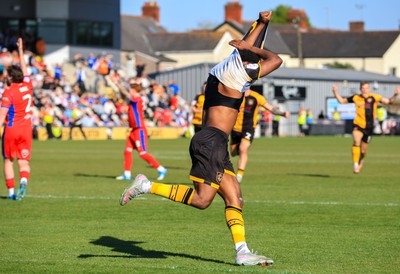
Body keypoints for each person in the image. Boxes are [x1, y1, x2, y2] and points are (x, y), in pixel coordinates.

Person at [120, 11, 282, 266]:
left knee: (234, 197)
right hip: (211, 142)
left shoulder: (224, 67)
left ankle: (242, 252)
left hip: (214, 142)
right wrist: (253, 44)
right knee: (202, 200)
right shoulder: (240, 73)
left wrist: (262, 23)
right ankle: (146, 185)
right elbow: (275, 59)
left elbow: (246, 48)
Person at [332, 82, 399, 173]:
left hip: (369, 127)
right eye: (363, 88)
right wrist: (335, 92)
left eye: (366, 88)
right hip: (358, 124)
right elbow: (342, 101)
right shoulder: (356, 97)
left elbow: (389, 102)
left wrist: (395, 94)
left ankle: (361, 160)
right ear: (360, 89)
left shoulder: (374, 97)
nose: (364, 90)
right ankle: (355, 164)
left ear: (369, 89)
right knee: (356, 140)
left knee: (363, 151)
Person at [230, 90, 289, 183]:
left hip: (248, 128)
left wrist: (282, 113)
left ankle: (239, 175)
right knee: (233, 153)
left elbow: (270, 108)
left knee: (243, 149)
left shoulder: (256, 97)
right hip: (234, 129)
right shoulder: (235, 94)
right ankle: (238, 149)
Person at [0, 38, 32, 200]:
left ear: (11, 78)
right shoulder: (28, 85)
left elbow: (2, 116)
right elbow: (25, 70)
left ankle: (11, 193)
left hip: (12, 130)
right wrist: (21, 50)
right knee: (23, 160)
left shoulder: (8, 92)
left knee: (8, 160)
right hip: (26, 130)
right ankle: (24, 180)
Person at [115, 81, 167, 181]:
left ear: (134, 90)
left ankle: (161, 169)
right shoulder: (133, 100)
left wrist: (118, 84)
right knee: (127, 151)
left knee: (142, 153)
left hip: (140, 130)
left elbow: (126, 94)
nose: (129, 91)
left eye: (131, 90)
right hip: (133, 130)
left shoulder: (137, 99)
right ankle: (127, 174)